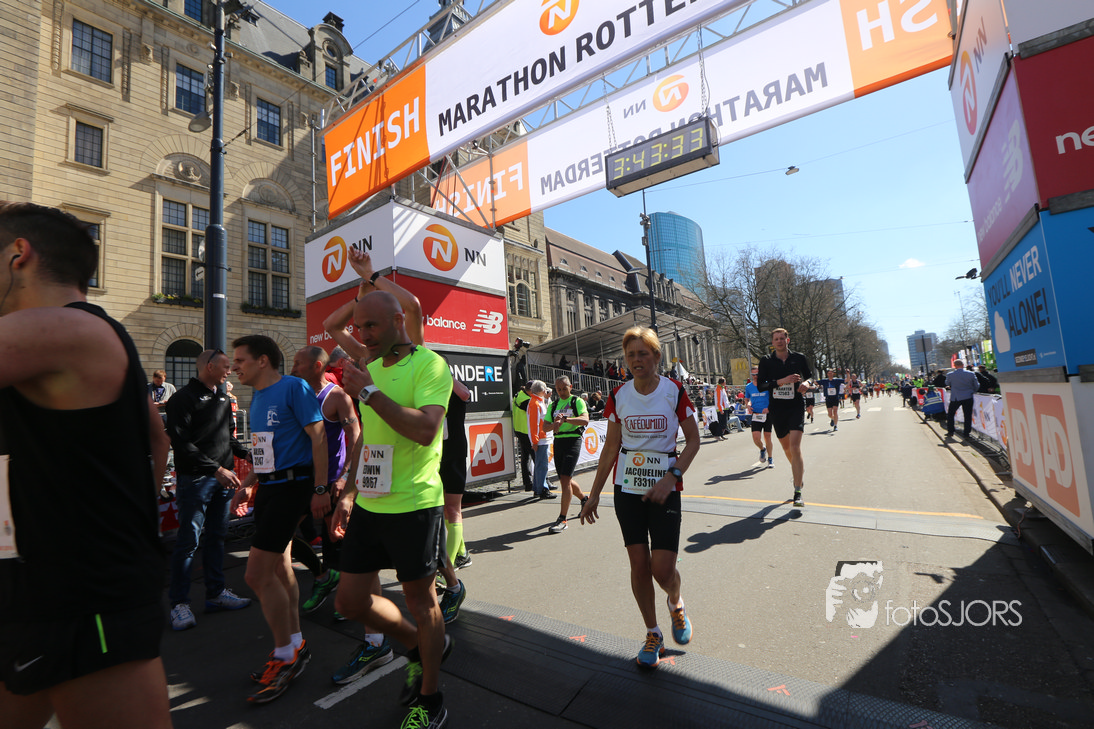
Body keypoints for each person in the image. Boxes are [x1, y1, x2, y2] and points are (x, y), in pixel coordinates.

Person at [0, 201, 172, 728]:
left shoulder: (65, 329)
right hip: (43, 591)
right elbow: (157, 439)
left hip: (86, 600)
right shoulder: (91, 332)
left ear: (18, 254)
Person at [333, 290, 454, 729]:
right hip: (371, 501)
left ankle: (431, 699)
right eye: (358, 327)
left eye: (372, 326)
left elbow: (426, 430)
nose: (363, 335)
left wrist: (367, 391)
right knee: (350, 601)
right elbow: (370, 436)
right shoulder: (370, 367)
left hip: (415, 503)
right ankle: (419, 646)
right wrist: (348, 491)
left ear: (398, 320)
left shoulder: (429, 364)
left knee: (422, 602)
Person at [579, 327, 700, 669]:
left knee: (663, 570)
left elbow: (693, 441)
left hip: (665, 489)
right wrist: (594, 494)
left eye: (642, 354)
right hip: (627, 488)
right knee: (638, 564)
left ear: (656, 357)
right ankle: (653, 633)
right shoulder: (619, 395)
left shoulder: (674, 391)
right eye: (630, 355)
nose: (636, 360)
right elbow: (610, 447)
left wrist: (672, 477)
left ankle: (675, 602)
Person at [230, 335, 329, 704]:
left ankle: (286, 655)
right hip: (269, 488)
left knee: (256, 574)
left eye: (240, 360)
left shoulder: (293, 387)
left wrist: (321, 489)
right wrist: (246, 486)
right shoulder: (257, 397)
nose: (235, 367)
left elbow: (319, 438)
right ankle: (295, 644)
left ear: (263, 361)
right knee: (280, 567)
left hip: (294, 487)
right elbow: (264, 452)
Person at [166, 348, 253, 631]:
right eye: (226, 366)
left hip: (223, 480)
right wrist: (216, 469)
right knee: (188, 541)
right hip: (196, 481)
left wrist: (250, 454)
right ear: (210, 367)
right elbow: (181, 443)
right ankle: (179, 604)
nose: (230, 371)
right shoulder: (182, 398)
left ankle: (216, 594)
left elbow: (229, 438)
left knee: (216, 537)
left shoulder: (223, 398)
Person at [289, 346, 362, 620]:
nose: (293, 369)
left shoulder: (337, 396)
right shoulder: (295, 394)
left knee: (335, 536)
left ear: (316, 366)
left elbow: (355, 436)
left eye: (298, 363)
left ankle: (348, 599)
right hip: (301, 477)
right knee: (281, 533)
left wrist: (344, 477)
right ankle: (323, 576)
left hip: (330, 479)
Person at [755, 329, 813, 508]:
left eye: (782, 338)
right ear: (772, 342)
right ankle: (798, 472)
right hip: (777, 409)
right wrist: (782, 381)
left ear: (788, 340)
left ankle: (797, 491)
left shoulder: (799, 358)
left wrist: (807, 383)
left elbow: (811, 377)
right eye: (776, 339)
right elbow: (761, 386)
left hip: (796, 406)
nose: (779, 341)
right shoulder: (766, 361)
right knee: (787, 448)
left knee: (795, 447)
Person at [437, 377, 471, 620]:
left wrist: (446, 375)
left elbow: (465, 394)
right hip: (435, 455)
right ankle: (462, 552)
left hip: (455, 454)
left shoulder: (454, 388)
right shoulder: (429, 390)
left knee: (453, 509)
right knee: (444, 509)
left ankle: (447, 565)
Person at [545, 376, 590, 533]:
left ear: (570, 387)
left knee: (565, 480)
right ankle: (584, 499)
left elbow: (585, 420)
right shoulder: (554, 405)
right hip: (558, 442)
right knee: (565, 479)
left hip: (573, 441)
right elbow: (545, 427)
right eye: (558, 389)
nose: (562, 392)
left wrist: (566, 420)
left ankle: (562, 519)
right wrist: (555, 424)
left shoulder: (577, 401)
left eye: (564, 388)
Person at [527, 380, 557, 499]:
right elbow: (533, 424)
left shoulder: (537, 401)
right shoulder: (535, 403)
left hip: (542, 438)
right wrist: (535, 441)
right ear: (542, 390)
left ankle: (538, 488)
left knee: (540, 465)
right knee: (542, 465)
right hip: (541, 439)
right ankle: (542, 489)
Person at [745, 368, 774, 467]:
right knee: (756, 438)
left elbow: (773, 398)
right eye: (753, 375)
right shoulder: (749, 387)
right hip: (756, 414)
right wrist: (748, 405)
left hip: (767, 414)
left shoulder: (767, 384)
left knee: (767, 436)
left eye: (757, 374)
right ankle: (762, 449)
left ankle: (770, 459)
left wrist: (769, 408)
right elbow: (747, 399)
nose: (755, 376)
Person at [944, 360, 980, 438]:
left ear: (955, 366)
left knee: (951, 414)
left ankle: (951, 431)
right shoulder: (971, 374)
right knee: (967, 415)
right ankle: (966, 433)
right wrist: (972, 391)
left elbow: (947, 383)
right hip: (968, 396)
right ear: (963, 365)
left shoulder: (950, 375)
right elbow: (976, 385)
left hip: (956, 397)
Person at [512, 381, 535, 492]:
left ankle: (528, 483)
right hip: (526, 431)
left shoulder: (519, 395)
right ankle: (542, 483)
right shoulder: (526, 400)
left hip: (520, 429)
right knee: (536, 457)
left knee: (525, 458)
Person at [713, 377, 731, 442]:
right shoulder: (719, 389)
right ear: (722, 382)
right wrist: (721, 409)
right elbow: (719, 400)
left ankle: (721, 434)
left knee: (724, 423)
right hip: (721, 408)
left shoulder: (722, 388)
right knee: (722, 423)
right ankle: (717, 435)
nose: (725, 383)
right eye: (725, 382)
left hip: (724, 408)